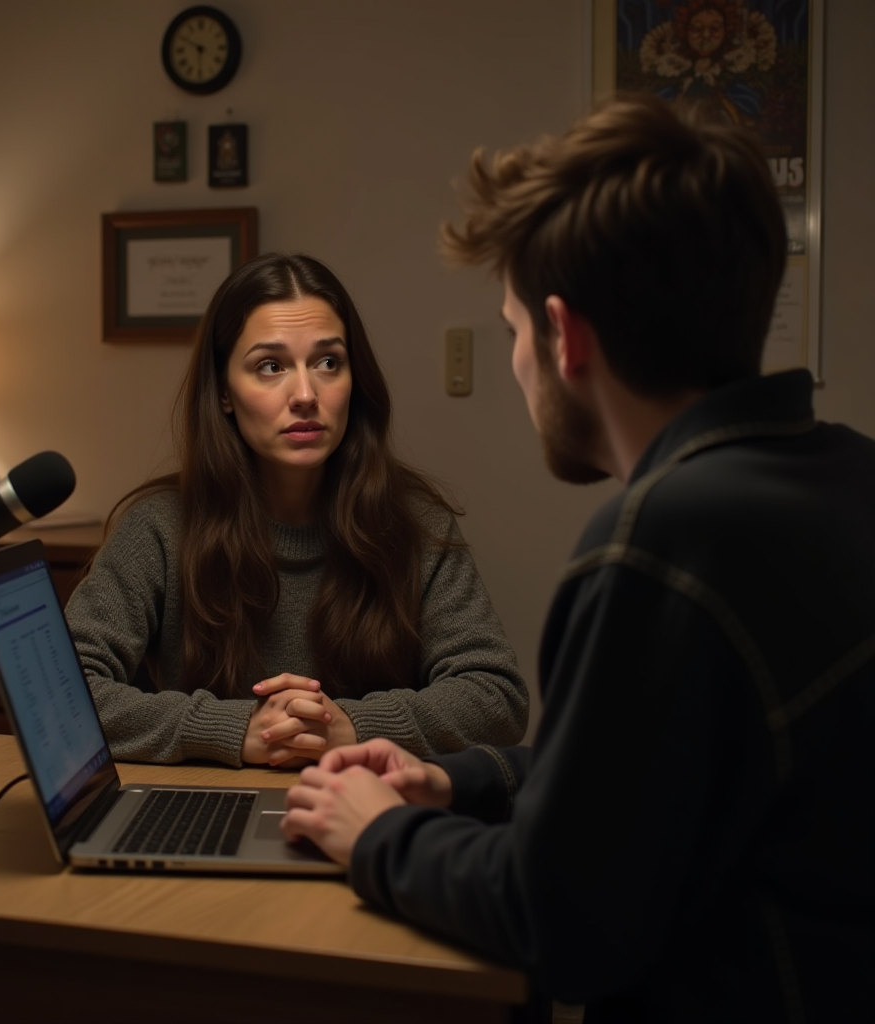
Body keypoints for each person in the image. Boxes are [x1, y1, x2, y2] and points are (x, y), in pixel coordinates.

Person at [282, 95, 875, 1022]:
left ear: (569, 337)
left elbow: (561, 919)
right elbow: (644, 791)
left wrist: (380, 836)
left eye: (515, 328)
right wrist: (456, 783)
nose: (518, 358)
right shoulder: (844, 473)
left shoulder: (662, 544)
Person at [65, 252, 528, 770]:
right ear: (222, 391)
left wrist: (349, 728)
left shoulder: (415, 522)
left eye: (329, 362)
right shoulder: (160, 526)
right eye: (271, 366)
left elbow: (496, 696)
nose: (306, 394)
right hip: (209, 808)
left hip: (372, 815)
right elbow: (60, 690)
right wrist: (233, 729)